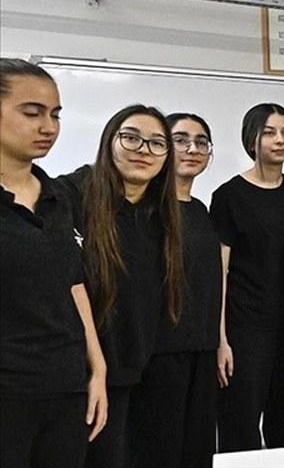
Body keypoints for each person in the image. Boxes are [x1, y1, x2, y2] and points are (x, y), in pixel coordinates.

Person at [60, 104, 185, 468]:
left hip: (132, 375)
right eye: (131, 137)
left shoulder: (160, 215)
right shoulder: (70, 194)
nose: (144, 150)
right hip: (73, 374)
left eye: (157, 143)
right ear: (109, 140)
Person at [0, 58, 107, 468]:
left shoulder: (59, 197)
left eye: (55, 115)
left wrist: (97, 370)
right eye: (32, 113)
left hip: (65, 388)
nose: (48, 127)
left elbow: (73, 285)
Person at [211, 103, 284, 450]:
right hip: (246, 329)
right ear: (251, 138)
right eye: (269, 132)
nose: (279, 140)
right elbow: (218, 272)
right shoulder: (229, 195)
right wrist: (220, 339)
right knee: (241, 424)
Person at [128, 113, 222, 468]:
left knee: (197, 451)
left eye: (201, 142)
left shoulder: (201, 210)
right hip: (158, 355)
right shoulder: (144, 209)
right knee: (159, 452)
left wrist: (219, 342)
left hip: (201, 350)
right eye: (180, 140)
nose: (192, 149)